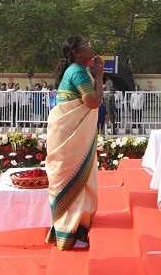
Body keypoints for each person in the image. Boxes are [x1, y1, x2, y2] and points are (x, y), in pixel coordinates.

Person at [45, 36, 103, 250]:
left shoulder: (78, 70)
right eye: (86, 45)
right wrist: (99, 76)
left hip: (67, 131)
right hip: (69, 134)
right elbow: (93, 102)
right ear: (78, 53)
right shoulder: (78, 71)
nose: (91, 46)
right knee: (72, 177)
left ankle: (75, 228)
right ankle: (70, 232)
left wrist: (96, 76)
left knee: (74, 177)